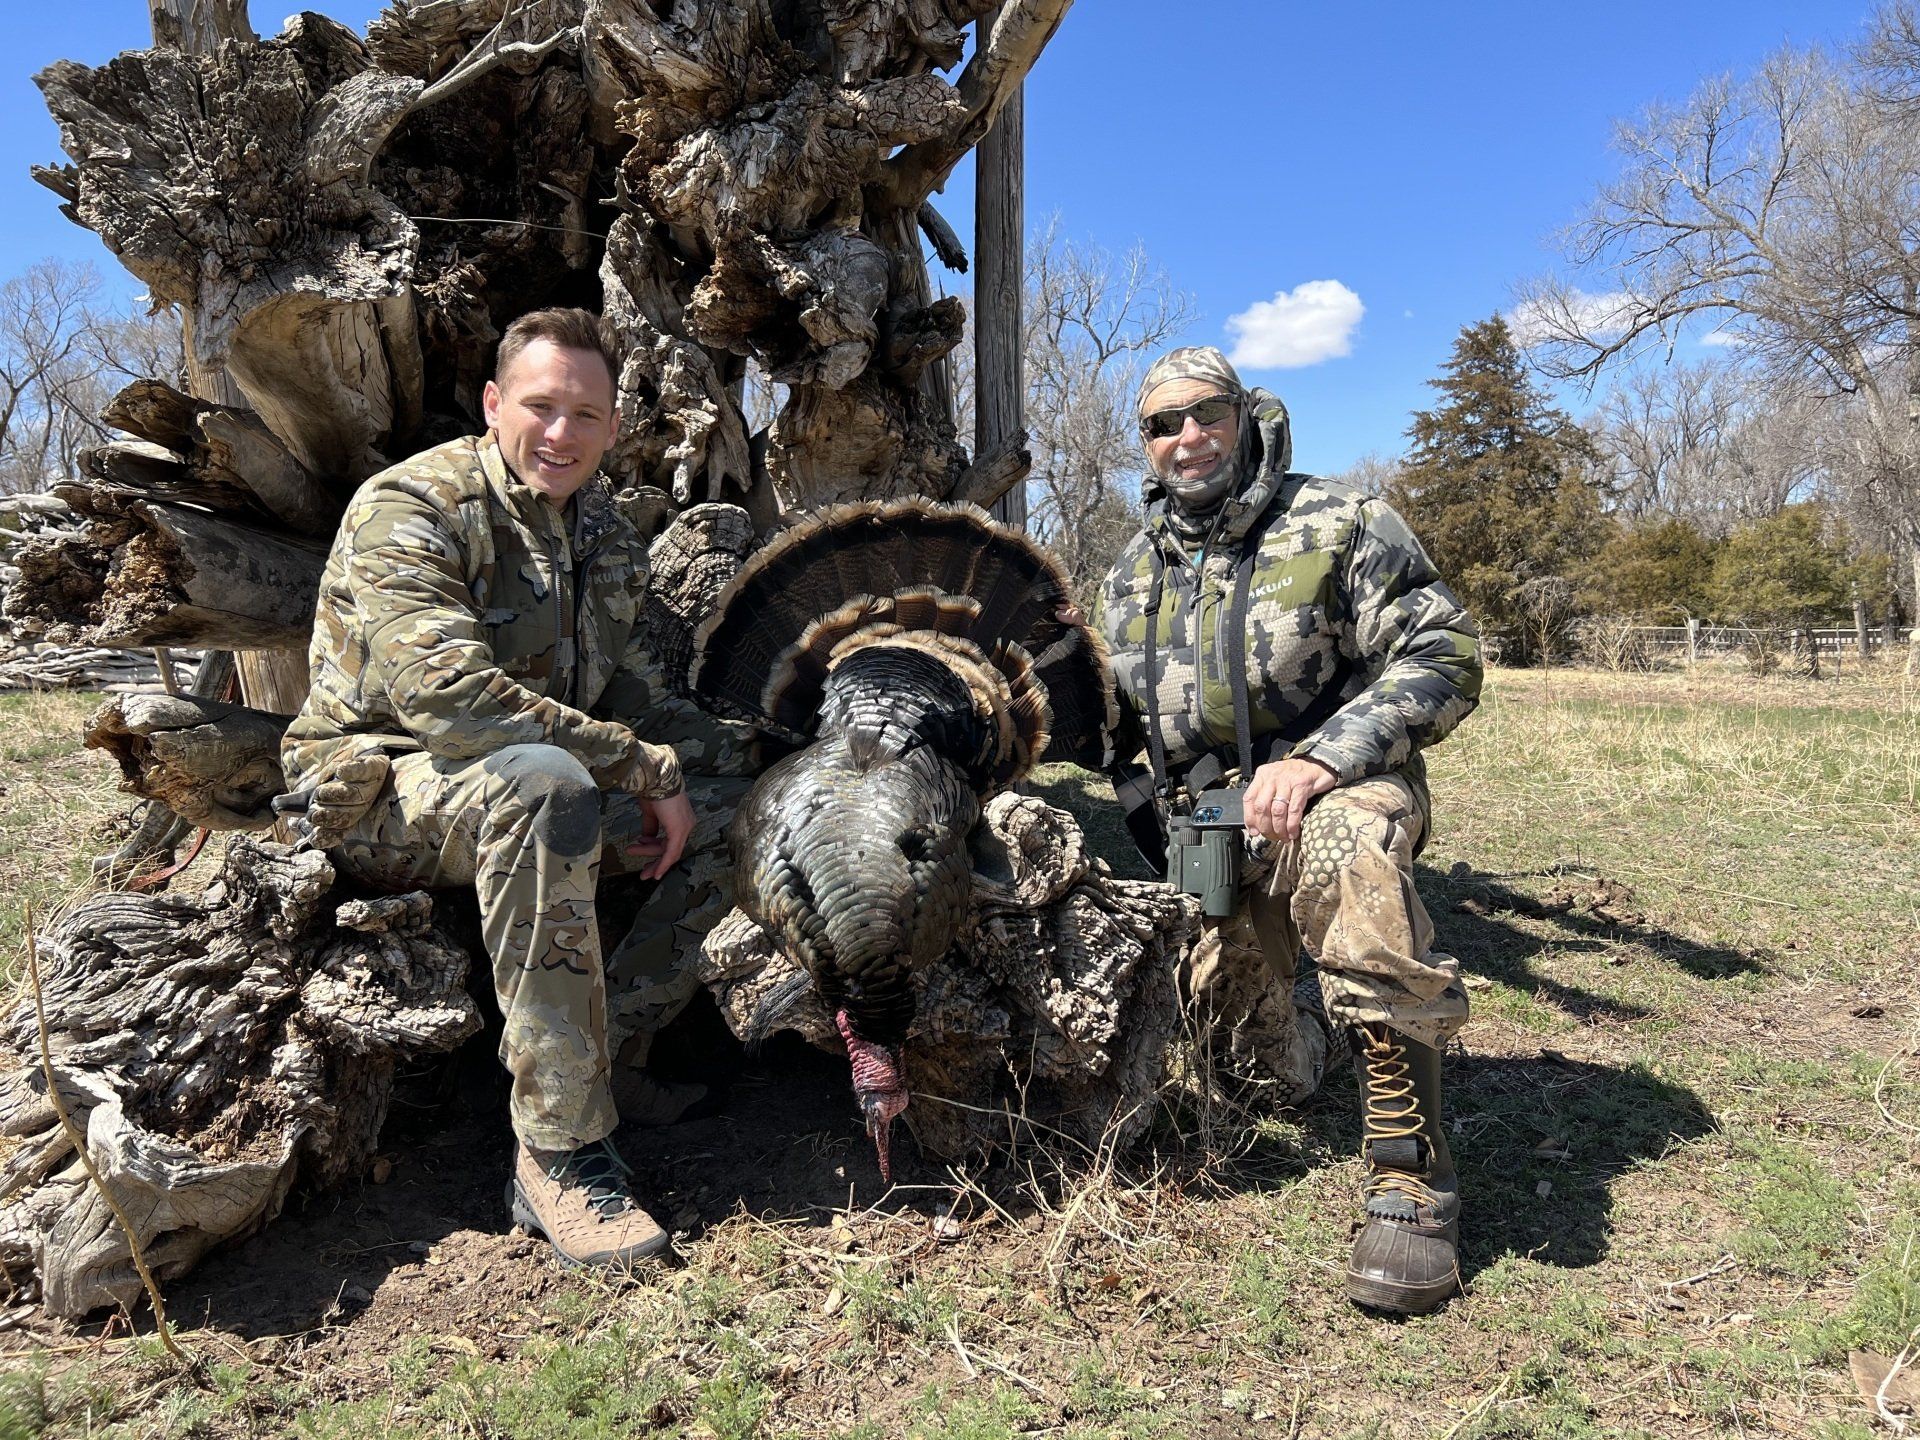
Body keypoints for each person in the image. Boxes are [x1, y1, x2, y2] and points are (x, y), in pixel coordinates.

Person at [281, 307, 747, 1269]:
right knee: (548, 786)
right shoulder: (410, 506)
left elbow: (631, 693)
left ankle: (608, 1059)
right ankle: (560, 1151)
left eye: (586, 413)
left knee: (744, 800)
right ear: (496, 404)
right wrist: (640, 764)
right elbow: (445, 701)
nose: (561, 433)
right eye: (540, 406)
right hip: (377, 789)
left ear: (616, 425)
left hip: (535, 780)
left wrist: (730, 758)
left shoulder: (607, 535)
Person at [1090, 345, 1482, 1314]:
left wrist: (1320, 763)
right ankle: (1310, 1025)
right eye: (1162, 424)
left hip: (1342, 791)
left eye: (1204, 414)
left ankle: (1411, 1178)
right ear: (1144, 444)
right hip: (1212, 829)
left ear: (1244, 413)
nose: (1187, 437)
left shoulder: (1339, 521)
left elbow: (1445, 651)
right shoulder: (1128, 578)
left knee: (1348, 848)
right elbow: (1113, 730)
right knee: (1256, 1083)